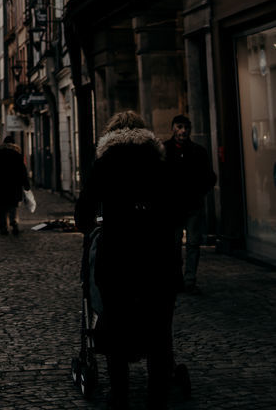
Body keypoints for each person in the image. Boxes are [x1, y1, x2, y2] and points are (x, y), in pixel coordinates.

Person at [75, 110, 179, 410]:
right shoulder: (159, 161)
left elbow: (84, 210)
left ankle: (119, 392)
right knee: (159, 323)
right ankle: (157, 392)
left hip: (118, 252)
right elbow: (176, 204)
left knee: (116, 320)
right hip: (156, 253)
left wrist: (92, 224)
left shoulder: (105, 162)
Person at [163, 113, 216, 294]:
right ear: (173, 128)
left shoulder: (198, 151)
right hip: (173, 207)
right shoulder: (164, 150)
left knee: (193, 243)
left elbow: (210, 177)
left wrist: (199, 191)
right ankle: (177, 279)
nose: (183, 131)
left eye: (186, 128)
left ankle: (190, 280)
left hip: (193, 205)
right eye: (179, 127)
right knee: (174, 245)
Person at [0, 134, 31, 234]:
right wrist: (26, 184)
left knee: (1, 206)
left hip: (0, 184)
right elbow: (22, 170)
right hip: (14, 184)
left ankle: (3, 226)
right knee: (13, 205)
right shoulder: (16, 154)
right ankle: (14, 222)